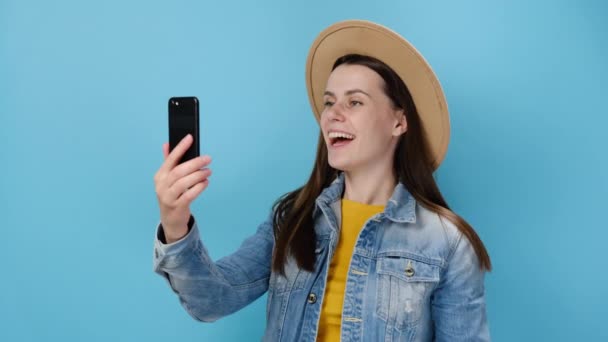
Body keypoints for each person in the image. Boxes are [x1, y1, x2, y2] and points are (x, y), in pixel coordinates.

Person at [152, 20, 492, 341]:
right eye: (329, 102)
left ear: (399, 122)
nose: (333, 114)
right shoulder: (291, 219)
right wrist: (175, 222)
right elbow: (212, 300)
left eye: (354, 101)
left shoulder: (448, 244)